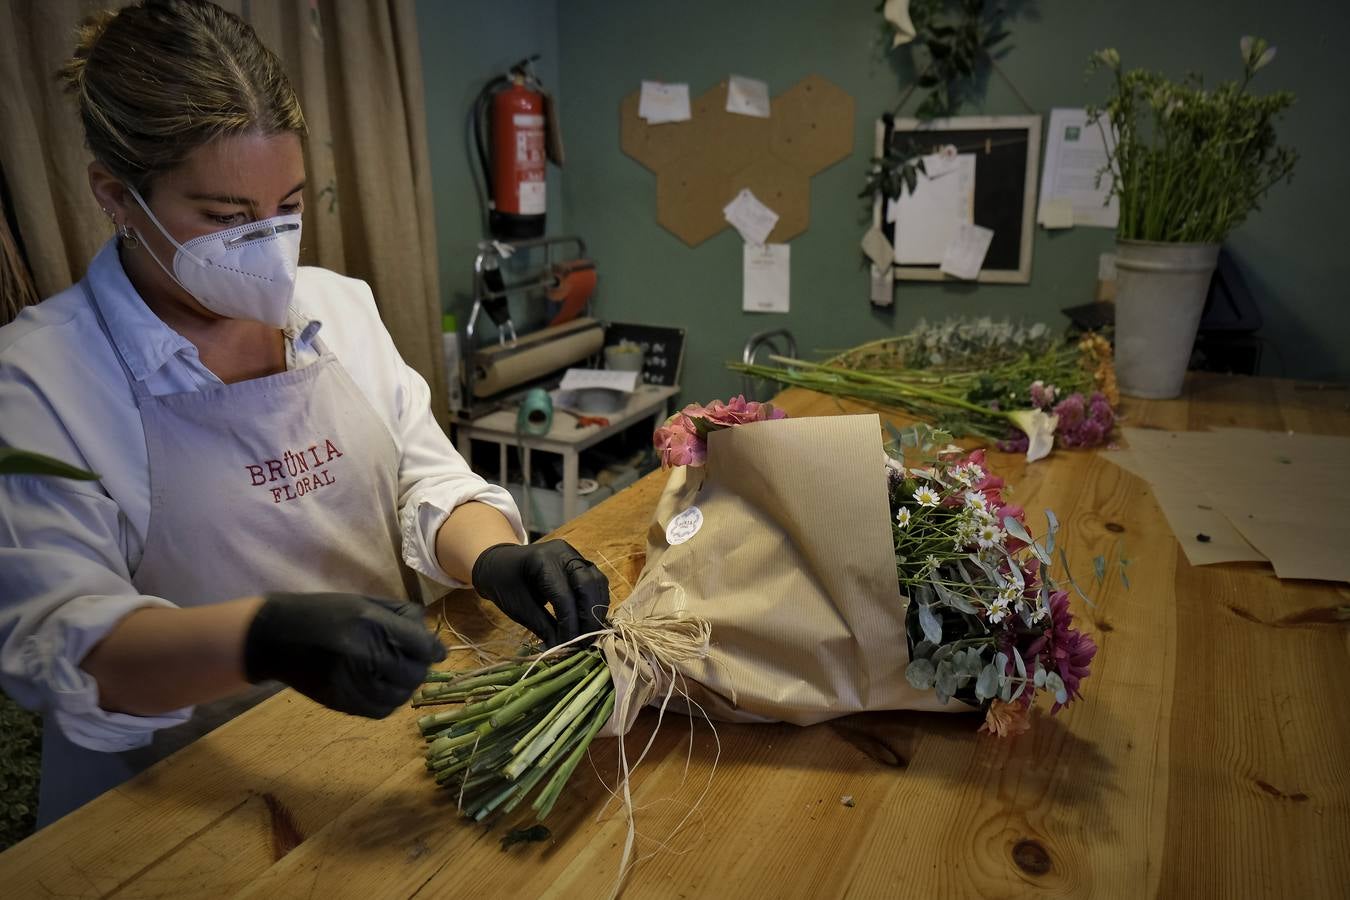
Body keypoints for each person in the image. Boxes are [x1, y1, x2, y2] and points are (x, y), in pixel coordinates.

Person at [0, 0, 607, 827]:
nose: (270, 248)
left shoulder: (337, 309)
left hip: (378, 754)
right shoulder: (37, 380)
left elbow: (421, 479)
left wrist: (495, 557)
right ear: (116, 196)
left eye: (286, 205)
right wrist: (263, 640)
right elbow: (64, 644)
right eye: (225, 218)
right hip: (176, 805)